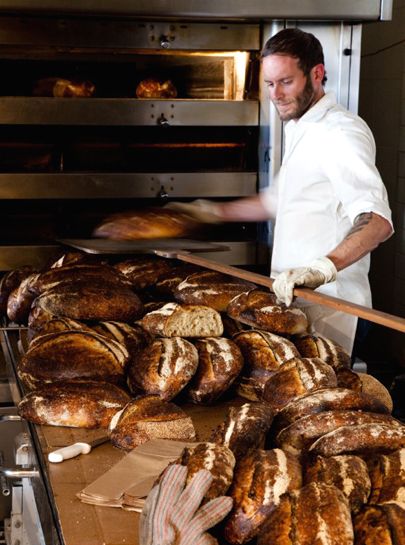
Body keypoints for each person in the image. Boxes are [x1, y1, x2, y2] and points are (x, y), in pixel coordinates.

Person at [169, 28, 393, 354]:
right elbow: (279, 200)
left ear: (317, 74)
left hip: (334, 307)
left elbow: (377, 220)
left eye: (286, 82)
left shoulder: (340, 132)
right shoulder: (301, 125)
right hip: (295, 303)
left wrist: (322, 268)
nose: (276, 94)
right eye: (270, 84)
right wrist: (210, 211)